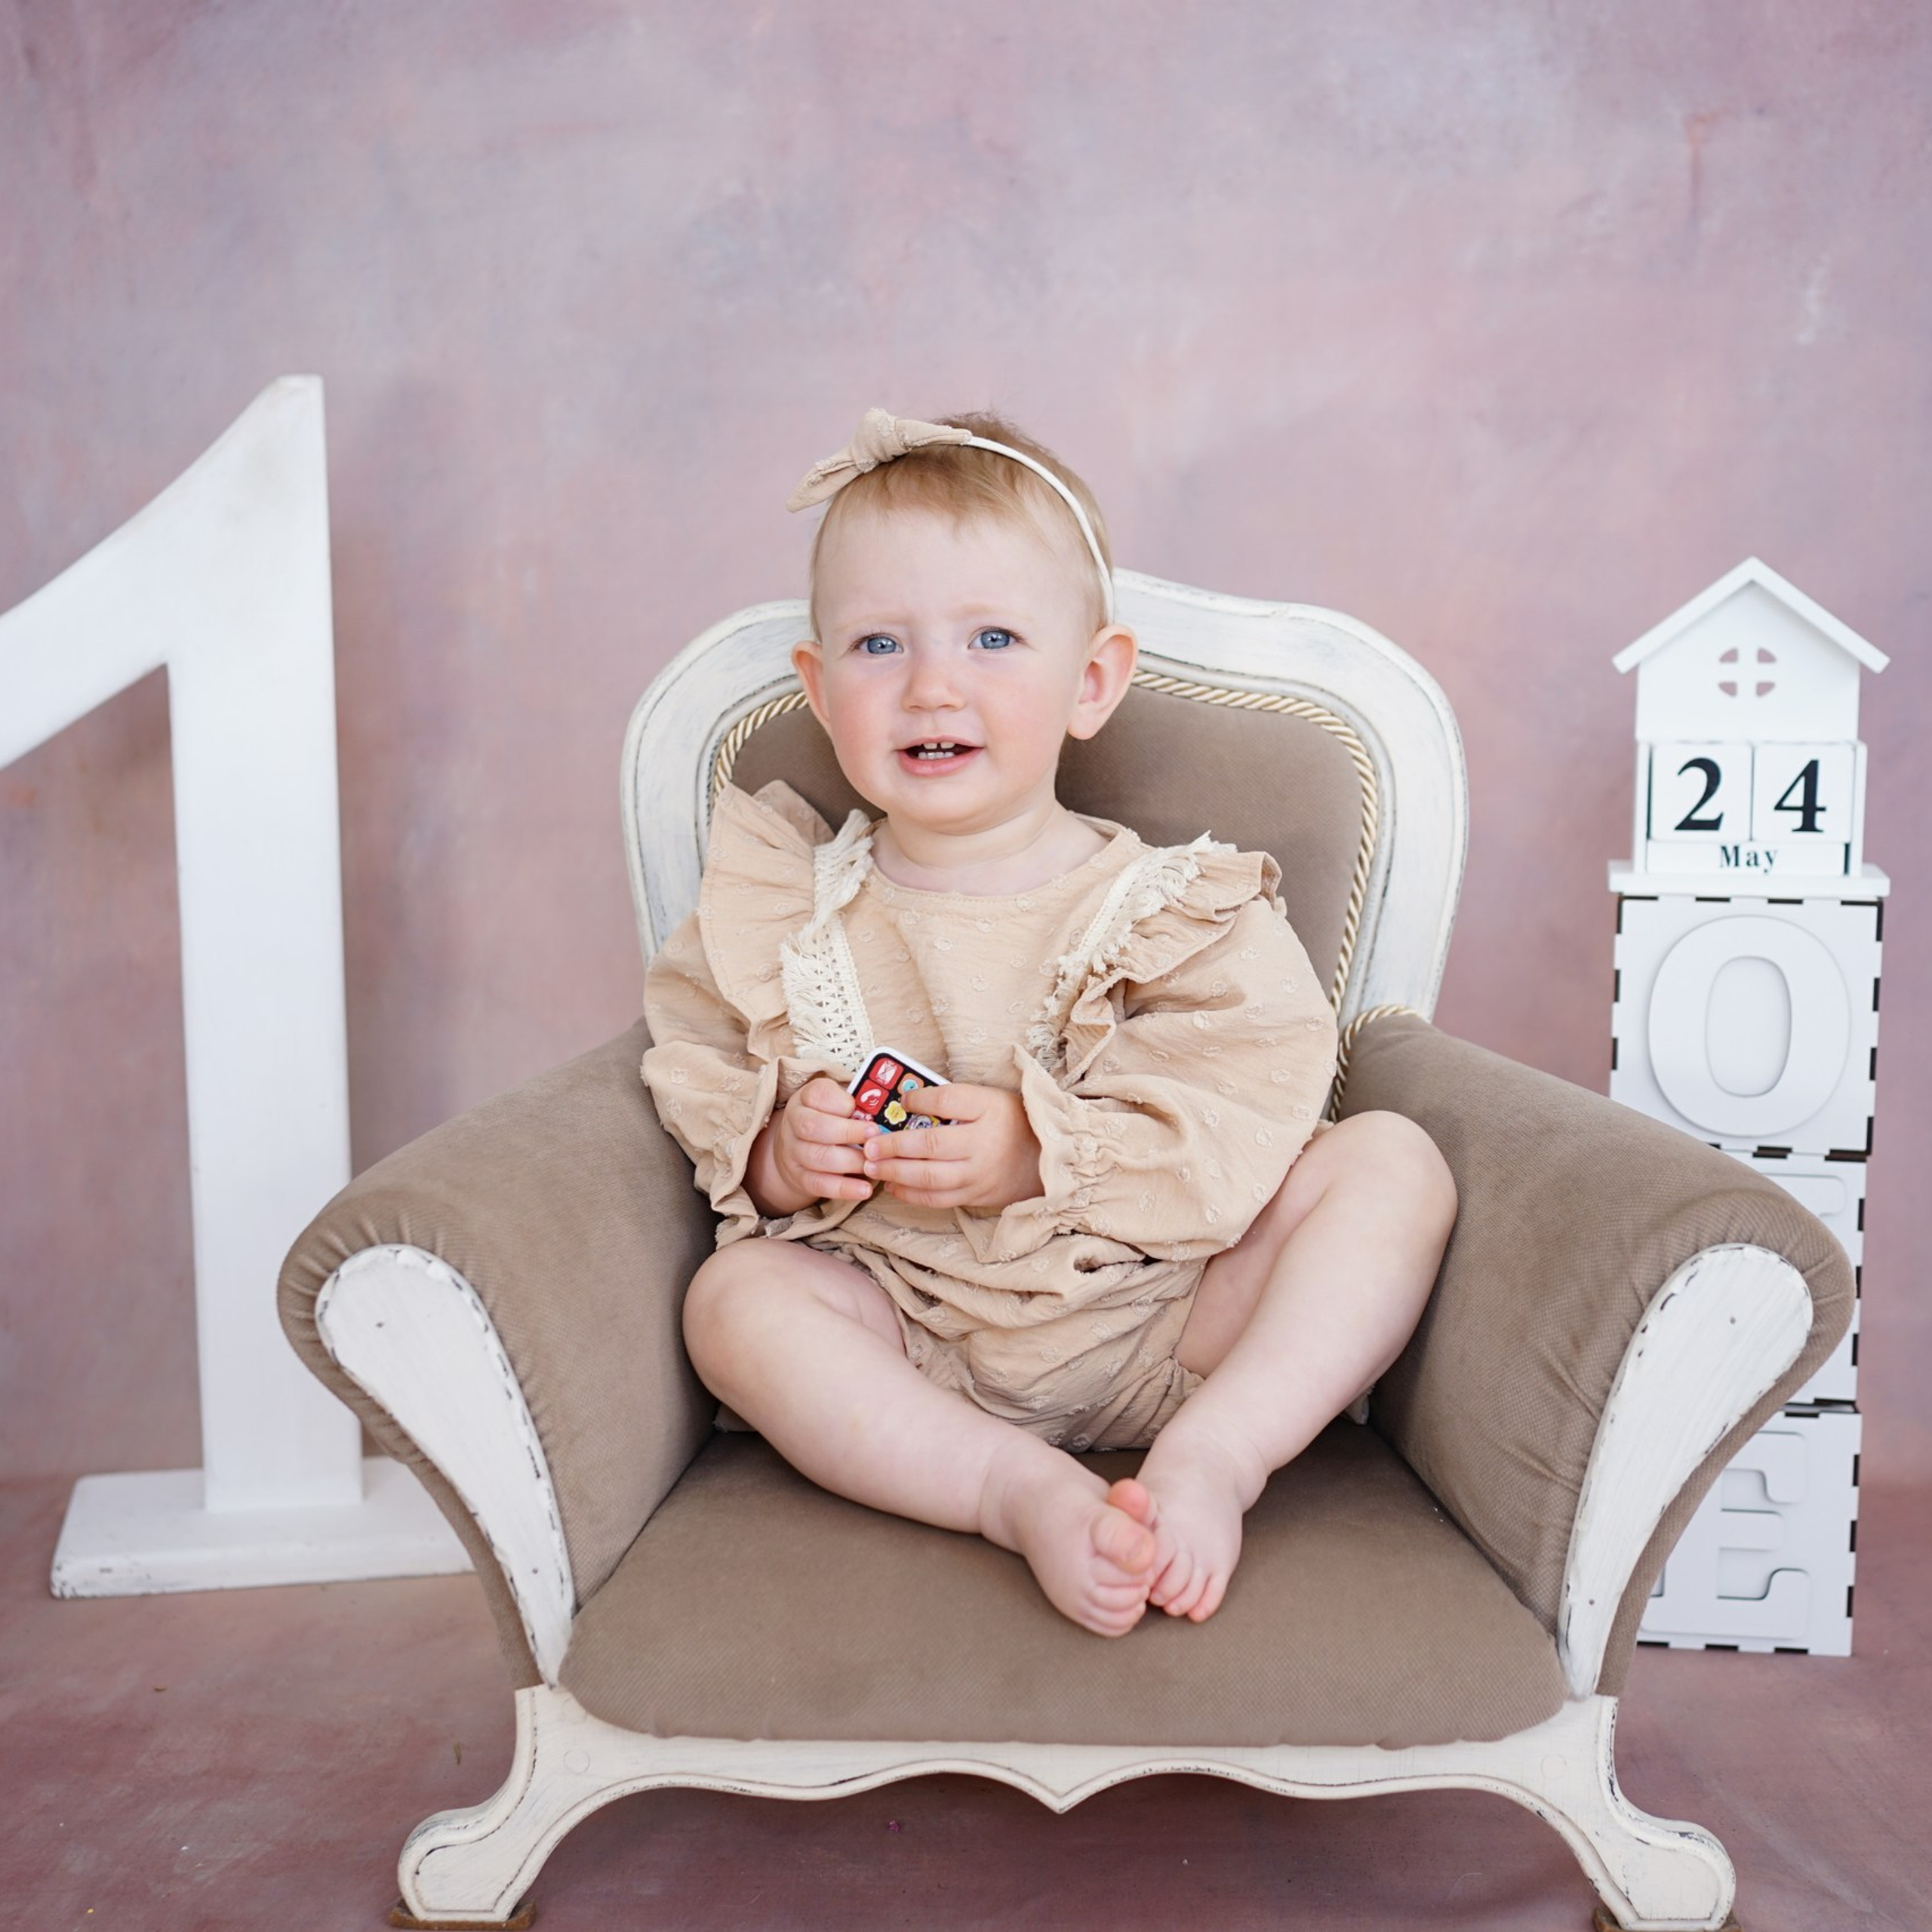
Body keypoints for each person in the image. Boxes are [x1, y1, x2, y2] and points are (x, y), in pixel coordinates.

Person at [641, 407, 1457, 1637]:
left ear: (1091, 682)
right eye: (877, 643)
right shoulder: (784, 910)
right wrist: (778, 1152)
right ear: (818, 688)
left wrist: (1042, 1150)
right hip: (912, 1337)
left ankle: (1215, 1459)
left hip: (1169, 1315)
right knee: (732, 1302)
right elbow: (698, 1073)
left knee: (1392, 1164)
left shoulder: (1172, 908)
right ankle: (1007, 1490)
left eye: (993, 638)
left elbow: (1251, 1105)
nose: (932, 684)